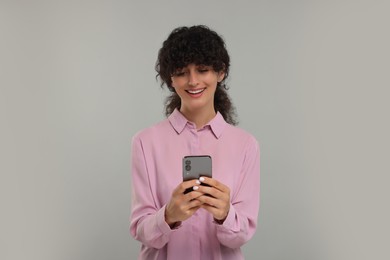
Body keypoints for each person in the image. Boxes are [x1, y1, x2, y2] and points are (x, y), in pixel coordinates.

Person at [130, 25, 260, 260]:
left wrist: (225, 214)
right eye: (181, 72)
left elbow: (242, 235)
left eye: (202, 70)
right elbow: (141, 230)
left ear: (220, 72)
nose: (193, 81)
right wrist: (168, 216)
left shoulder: (245, 145)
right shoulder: (145, 142)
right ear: (171, 78)